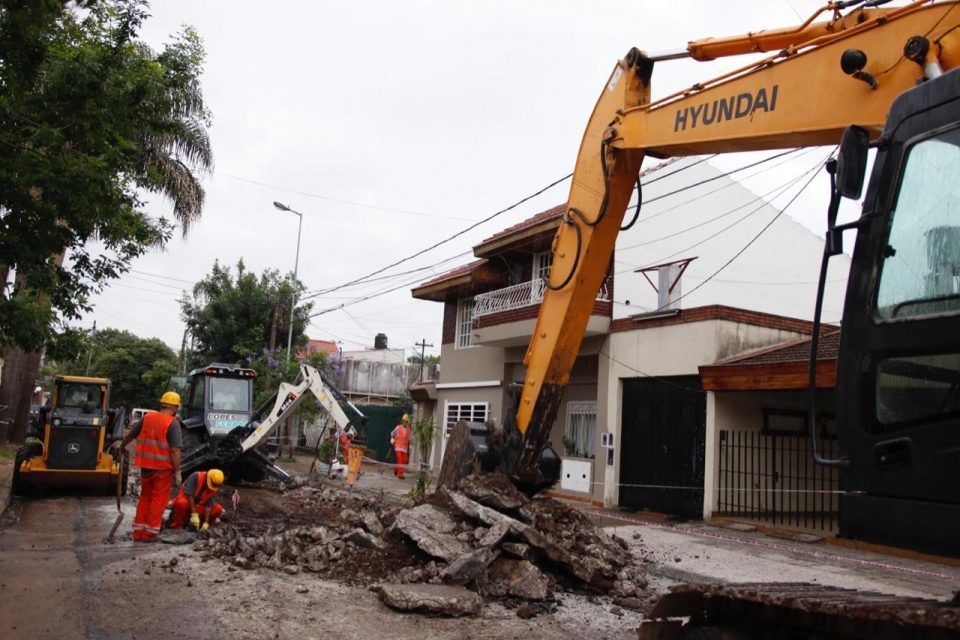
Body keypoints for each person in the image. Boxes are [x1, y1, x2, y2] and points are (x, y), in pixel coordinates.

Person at [112, 391, 183, 542]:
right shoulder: (172, 423)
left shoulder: (147, 418)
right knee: (158, 499)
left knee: (145, 497)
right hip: (163, 469)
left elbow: (131, 435)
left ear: (162, 404)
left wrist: (121, 447)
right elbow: (175, 450)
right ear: (176, 407)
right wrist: (178, 472)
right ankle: (150, 533)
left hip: (146, 467)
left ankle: (138, 531)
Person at [390, 413, 412, 480]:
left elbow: (409, 438)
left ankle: (396, 469)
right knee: (400, 461)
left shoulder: (409, 429)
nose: (404, 423)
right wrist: (392, 439)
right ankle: (400, 474)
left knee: (405, 461)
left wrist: (409, 447)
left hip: (404, 448)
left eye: (405, 421)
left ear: (408, 422)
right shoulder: (398, 427)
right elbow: (392, 433)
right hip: (398, 447)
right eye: (403, 421)